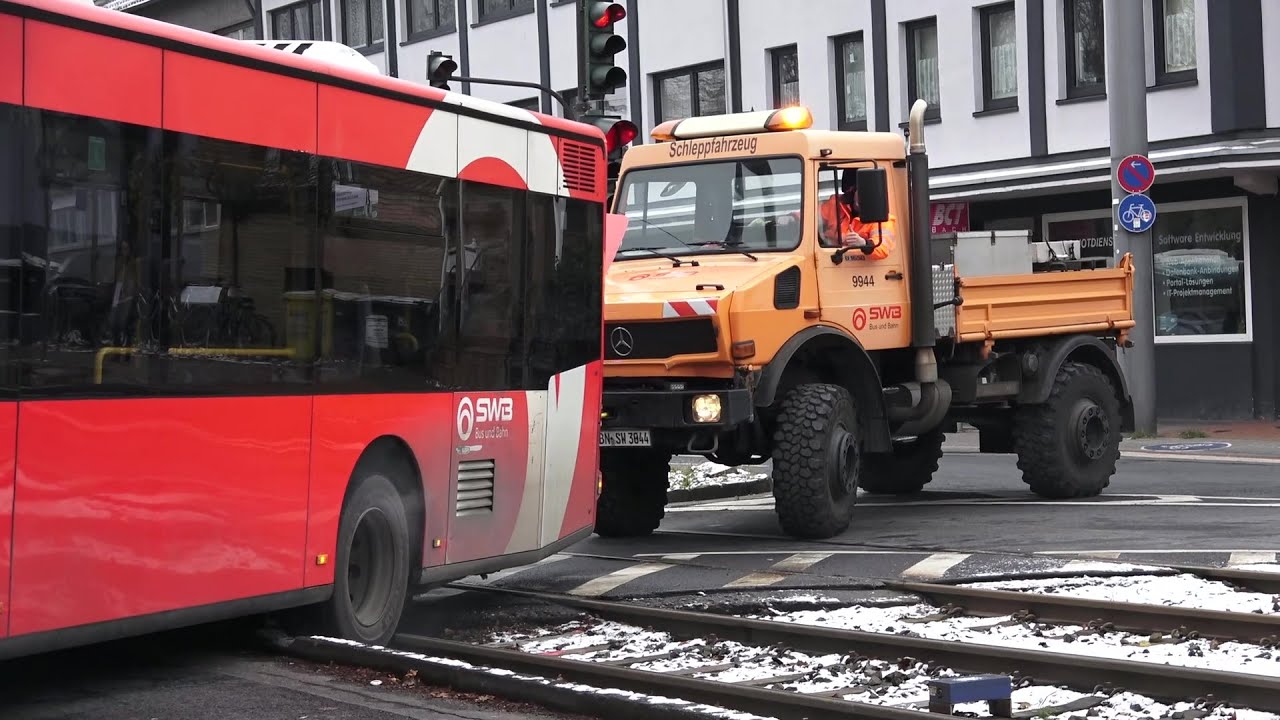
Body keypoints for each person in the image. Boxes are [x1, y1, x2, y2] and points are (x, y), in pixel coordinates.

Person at [752, 169, 898, 261]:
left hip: (855, 271)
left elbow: (882, 249)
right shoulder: (836, 205)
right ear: (853, 190)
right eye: (860, 192)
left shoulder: (883, 218)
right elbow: (812, 216)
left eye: (868, 193)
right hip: (830, 262)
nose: (862, 198)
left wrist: (863, 244)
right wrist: (791, 218)